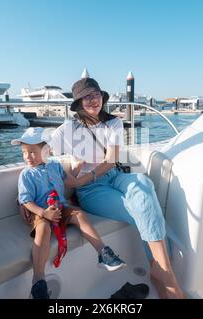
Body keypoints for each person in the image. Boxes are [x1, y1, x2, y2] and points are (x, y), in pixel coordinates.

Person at [49, 78, 185, 299]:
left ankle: (162, 271)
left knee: (143, 184)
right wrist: (72, 176)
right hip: (90, 190)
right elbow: (45, 156)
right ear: (79, 103)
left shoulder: (113, 123)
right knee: (143, 209)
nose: (93, 100)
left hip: (112, 175)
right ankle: (163, 275)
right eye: (87, 96)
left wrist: (80, 179)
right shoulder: (68, 128)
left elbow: (111, 161)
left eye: (96, 95)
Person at [12, 127, 126, 299]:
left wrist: (80, 164)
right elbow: (26, 200)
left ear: (46, 150)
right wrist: (44, 213)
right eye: (24, 152)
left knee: (79, 214)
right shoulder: (26, 175)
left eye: (32, 152)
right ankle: (39, 280)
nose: (27, 157)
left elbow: (71, 182)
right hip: (40, 211)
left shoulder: (55, 166)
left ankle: (103, 254)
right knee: (43, 229)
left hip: (60, 207)